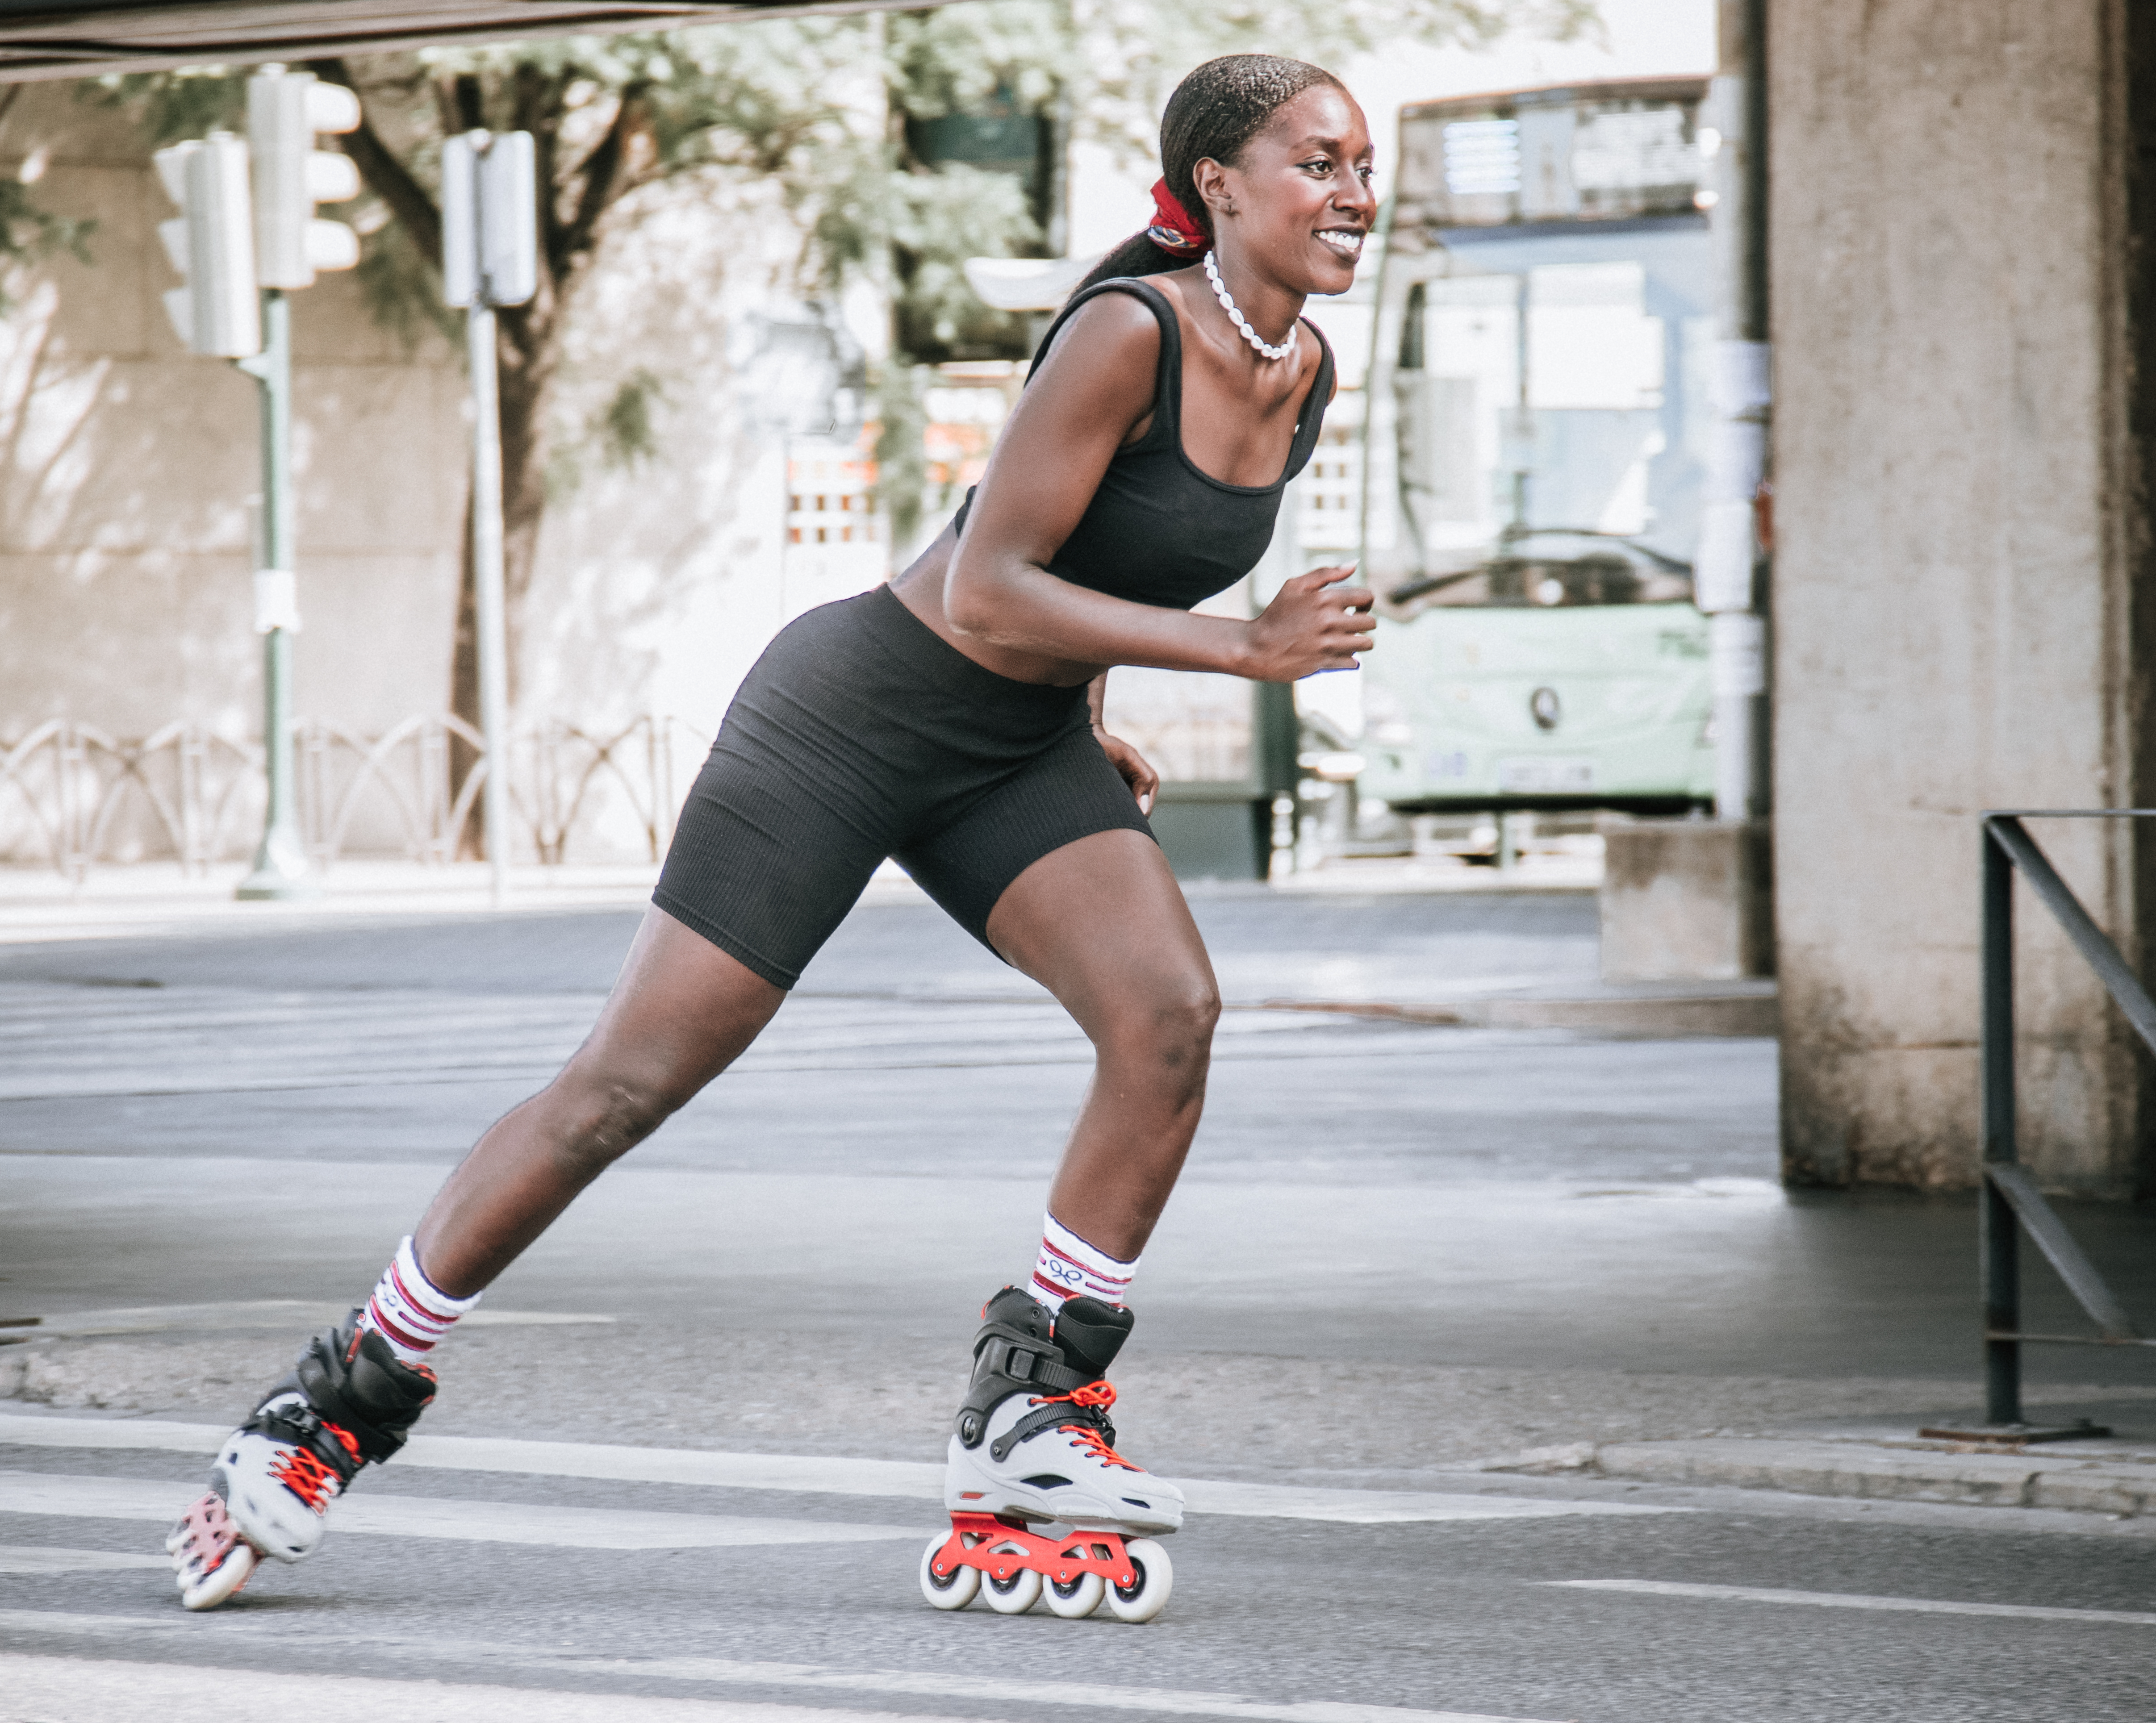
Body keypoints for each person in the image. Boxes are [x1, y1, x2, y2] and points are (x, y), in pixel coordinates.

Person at [168, 52, 1377, 1622]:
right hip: (850, 720)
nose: (1354, 192)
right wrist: (1242, 652)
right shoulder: (1121, 333)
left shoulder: (1306, 369)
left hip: (1009, 745)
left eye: (1364, 164)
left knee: (1166, 1016)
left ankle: (1038, 1401)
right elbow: (980, 585)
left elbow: (1077, 574)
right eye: (1318, 161)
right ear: (1219, 181)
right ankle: (338, 1394)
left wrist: (1081, 715)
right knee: (627, 1085)